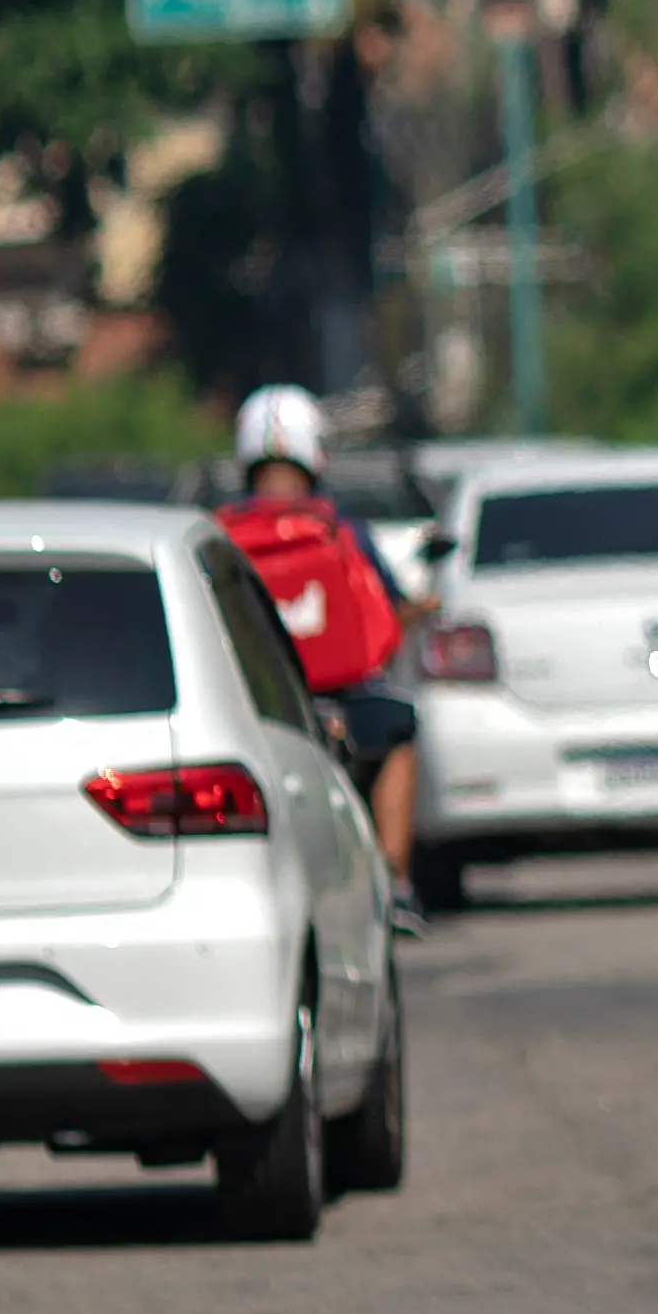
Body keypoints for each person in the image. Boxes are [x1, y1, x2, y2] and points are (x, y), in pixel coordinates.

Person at [213, 384, 424, 931]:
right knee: (398, 732)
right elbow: (383, 620)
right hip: (343, 701)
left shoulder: (217, 536)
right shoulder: (340, 528)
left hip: (253, 710)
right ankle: (396, 883)